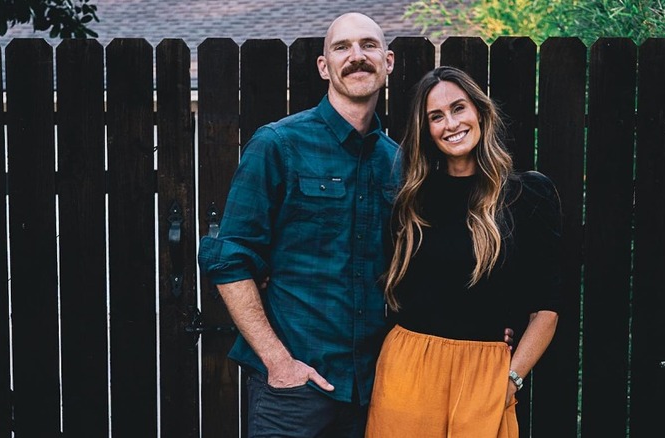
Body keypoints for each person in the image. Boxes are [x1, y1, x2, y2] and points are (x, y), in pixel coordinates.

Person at [198, 12, 514, 437]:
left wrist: (490, 321)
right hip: (295, 390)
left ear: (388, 62)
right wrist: (278, 361)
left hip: (374, 389)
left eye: (367, 46)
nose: (356, 56)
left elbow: (435, 263)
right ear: (324, 67)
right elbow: (230, 259)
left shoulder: (403, 166)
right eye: (341, 48)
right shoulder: (279, 145)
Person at [365, 66, 561, 438]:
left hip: (484, 375)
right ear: (426, 131)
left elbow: (547, 311)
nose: (450, 123)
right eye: (435, 117)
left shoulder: (527, 196)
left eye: (458, 108)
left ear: (480, 112)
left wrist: (509, 381)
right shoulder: (409, 201)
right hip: (408, 371)